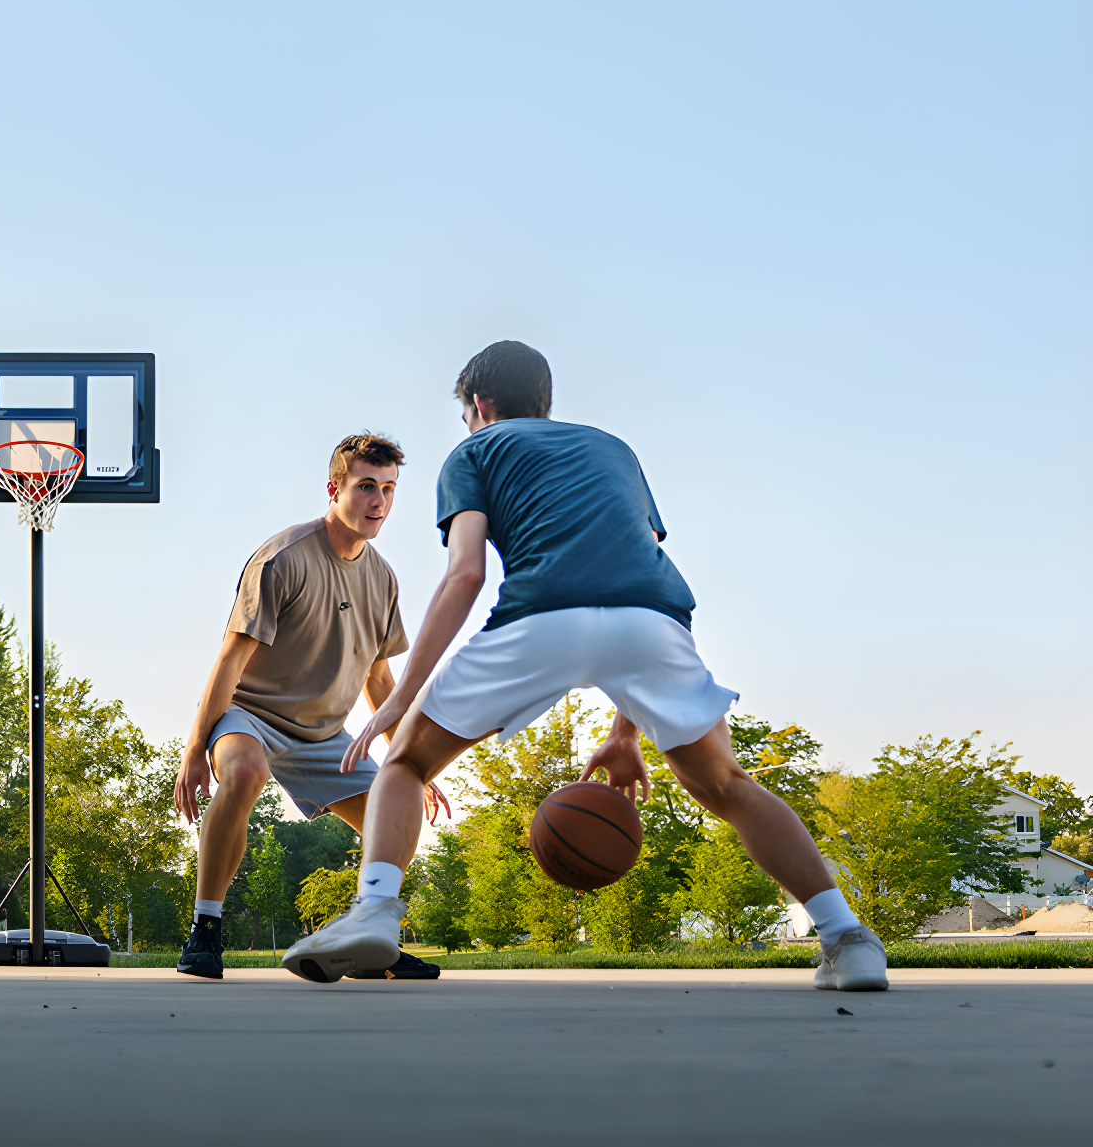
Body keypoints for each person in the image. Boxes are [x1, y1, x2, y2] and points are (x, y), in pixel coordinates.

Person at [281, 341, 887, 993]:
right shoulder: (613, 450)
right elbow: (637, 559)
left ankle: (375, 913)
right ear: (545, 401)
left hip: (543, 613)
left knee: (404, 764)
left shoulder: (475, 452)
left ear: (479, 406)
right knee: (728, 785)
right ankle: (847, 938)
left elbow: (465, 573)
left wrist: (402, 701)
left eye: (465, 415)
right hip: (654, 619)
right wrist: (627, 731)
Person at [173, 433, 450, 981]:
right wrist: (193, 750)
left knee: (401, 807)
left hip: (323, 734)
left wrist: (411, 759)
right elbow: (229, 661)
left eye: (389, 490)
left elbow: (378, 678)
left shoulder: (383, 578)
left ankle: (370, 936)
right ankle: (205, 930)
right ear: (334, 488)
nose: (379, 502)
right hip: (250, 715)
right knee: (246, 772)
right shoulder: (284, 558)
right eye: (366, 486)